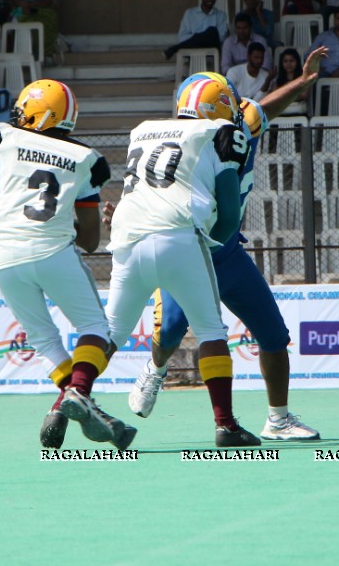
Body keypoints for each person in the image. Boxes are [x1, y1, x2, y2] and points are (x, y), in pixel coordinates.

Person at [121, 53, 328, 442]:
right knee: (167, 336)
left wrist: (300, 84)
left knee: (273, 334)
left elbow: (262, 109)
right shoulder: (189, 141)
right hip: (186, 251)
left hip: (227, 252)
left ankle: (278, 418)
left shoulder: (237, 125)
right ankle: (156, 368)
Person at [0, 79, 135, 451]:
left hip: (1, 252)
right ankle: (80, 393)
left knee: (42, 340)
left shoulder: (0, 135)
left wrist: (4, 197)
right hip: (51, 250)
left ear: (36, 111)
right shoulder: (87, 159)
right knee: (95, 330)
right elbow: (88, 242)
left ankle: (74, 401)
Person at [105, 77, 259, 447]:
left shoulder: (145, 131)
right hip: (182, 237)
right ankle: (225, 423)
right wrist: (211, 243)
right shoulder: (219, 136)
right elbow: (228, 215)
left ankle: (68, 397)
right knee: (208, 331)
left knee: (108, 331)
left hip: (129, 237)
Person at [165, 0, 229, 60]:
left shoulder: (221, 15)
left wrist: (198, 37)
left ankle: (175, 48)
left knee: (212, 31)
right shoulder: (190, 13)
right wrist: (200, 38)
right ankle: (178, 47)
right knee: (209, 33)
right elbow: (182, 37)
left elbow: (221, 37)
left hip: (212, 49)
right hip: (192, 49)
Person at [267, 48, 312, 115]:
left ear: (297, 62)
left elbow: (304, 95)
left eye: (291, 61)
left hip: (299, 113)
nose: (288, 64)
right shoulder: (277, 81)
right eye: (285, 61)